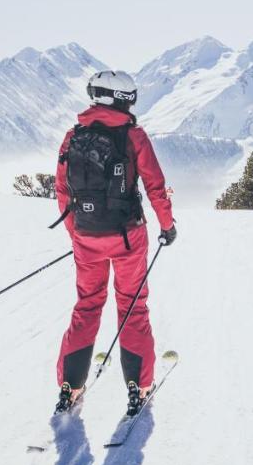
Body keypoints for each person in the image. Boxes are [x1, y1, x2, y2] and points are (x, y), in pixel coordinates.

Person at [52, 69, 176, 416]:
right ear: (122, 99)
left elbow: (63, 192)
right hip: (127, 237)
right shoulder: (133, 135)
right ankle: (139, 386)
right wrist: (167, 226)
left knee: (87, 306)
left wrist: (77, 233)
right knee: (133, 306)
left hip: (86, 236)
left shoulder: (73, 136)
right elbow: (154, 185)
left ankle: (69, 386)